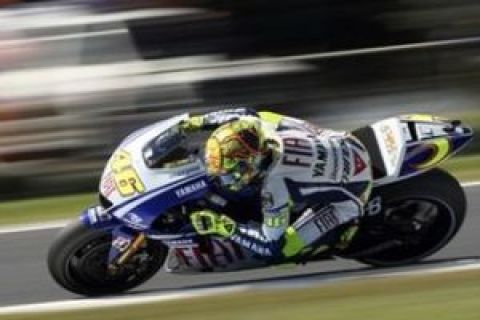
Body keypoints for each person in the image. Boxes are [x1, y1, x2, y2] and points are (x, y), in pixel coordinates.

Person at [181, 107, 372, 261]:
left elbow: (269, 244)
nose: (227, 178)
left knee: (284, 250)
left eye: (231, 173)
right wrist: (199, 122)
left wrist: (223, 227)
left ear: (251, 163)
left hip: (355, 191)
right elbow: (243, 114)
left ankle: (345, 225)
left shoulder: (273, 188)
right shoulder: (264, 124)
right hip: (349, 142)